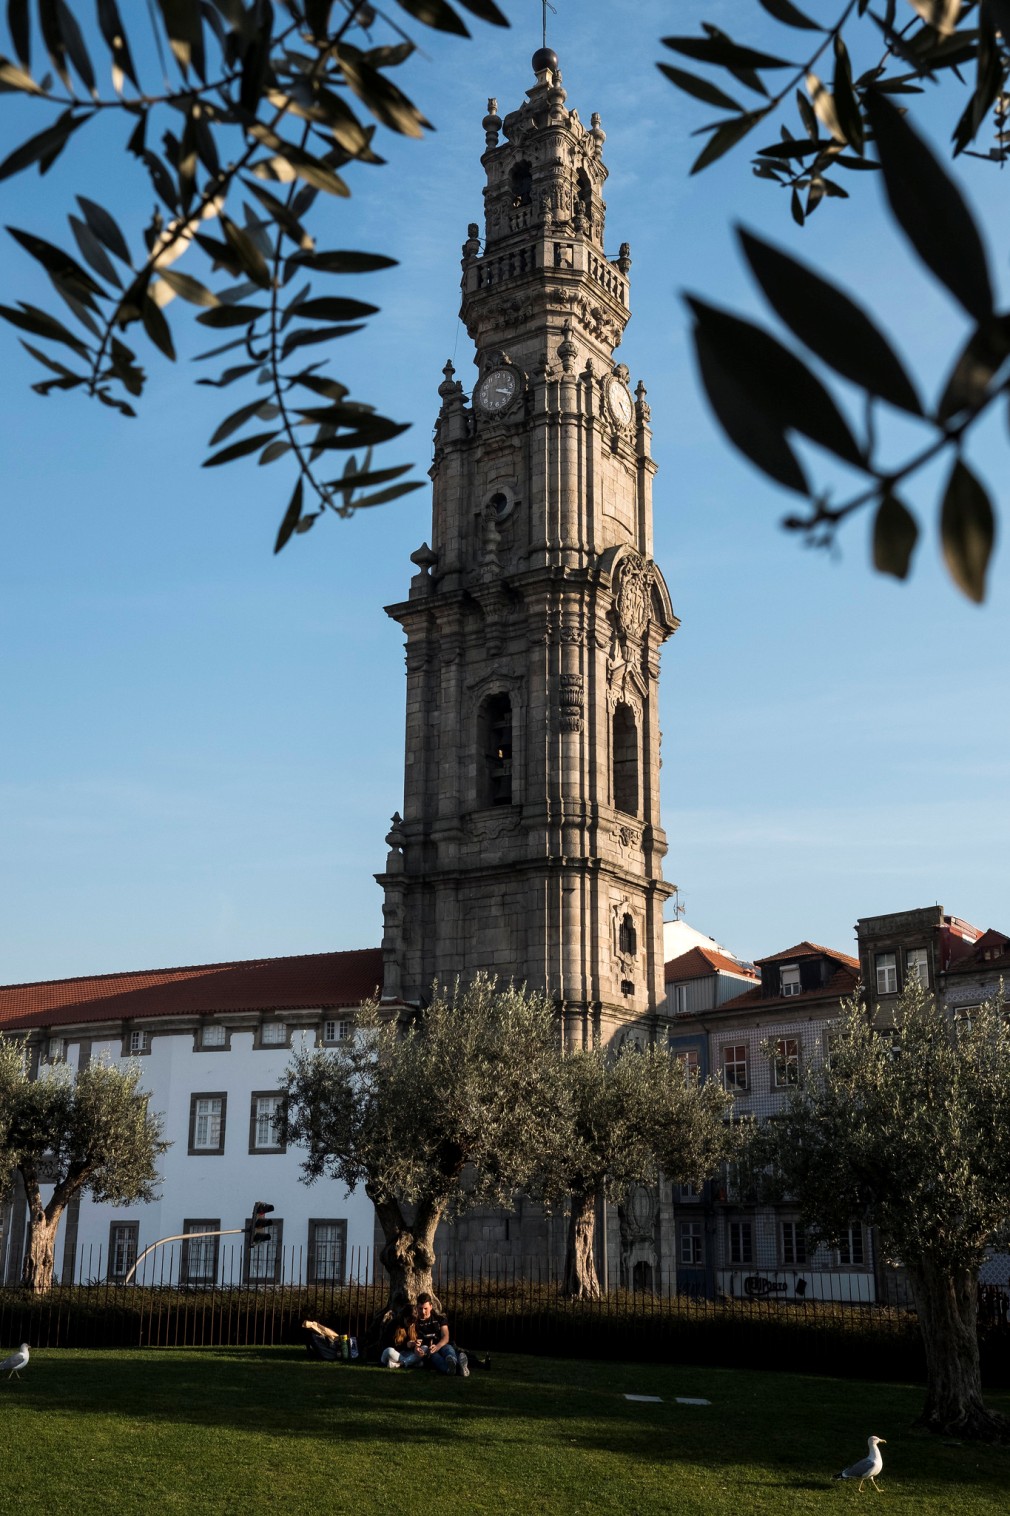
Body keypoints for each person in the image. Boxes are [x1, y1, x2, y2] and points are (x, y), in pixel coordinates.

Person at [399, 1292, 469, 1377]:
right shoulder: (414, 1322)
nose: (423, 1312)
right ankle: (456, 1368)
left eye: (425, 1308)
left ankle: (453, 1362)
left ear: (431, 1307)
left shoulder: (439, 1318)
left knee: (448, 1348)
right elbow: (413, 1340)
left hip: (441, 1345)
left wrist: (437, 1347)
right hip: (428, 1351)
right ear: (417, 1307)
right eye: (420, 1308)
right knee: (434, 1357)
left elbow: (446, 1337)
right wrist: (417, 1349)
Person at [379, 1304, 418, 1369]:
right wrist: (406, 1345)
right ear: (404, 1317)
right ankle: (409, 1362)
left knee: (420, 1354)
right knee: (389, 1351)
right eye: (409, 1321)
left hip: (404, 1354)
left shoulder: (413, 1326)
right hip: (393, 1353)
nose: (410, 1324)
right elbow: (387, 1345)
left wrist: (415, 1345)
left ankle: (398, 1364)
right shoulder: (394, 1325)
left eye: (413, 1322)